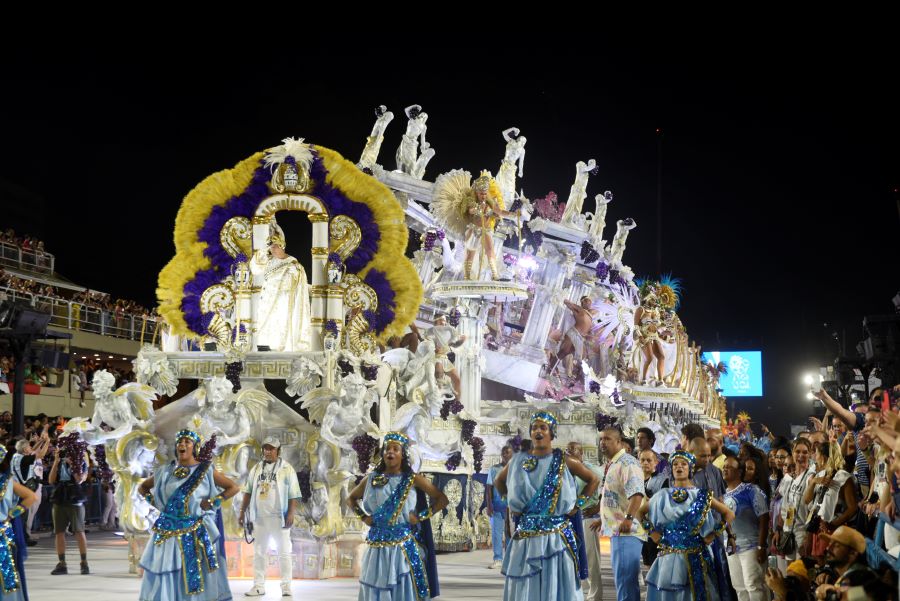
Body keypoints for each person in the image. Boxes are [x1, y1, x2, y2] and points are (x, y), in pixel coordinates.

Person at [494, 412, 600, 601]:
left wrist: (579, 504)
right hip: (526, 535)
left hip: (556, 538)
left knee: (556, 583)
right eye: (534, 427)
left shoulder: (564, 461)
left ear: (552, 433)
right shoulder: (518, 460)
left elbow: (593, 479)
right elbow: (498, 481)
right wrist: (508, 500)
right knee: (527, 584)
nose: (538, 431)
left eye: (543, 427)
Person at [137, 429, 240, 600]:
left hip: (195, 532)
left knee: (193, 576)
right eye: (180, 442)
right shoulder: (165, 471)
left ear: (195, 447)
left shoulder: (205, 470)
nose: (182, 445)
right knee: (168, 571)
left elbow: (233, 487)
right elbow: (143, 487)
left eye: (187, 442)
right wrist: (156, 503)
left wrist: (214, 502)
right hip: (167, 533)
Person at [347, 432, 449, 600]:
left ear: (403, 455)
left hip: (401, 548)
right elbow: (350, 499)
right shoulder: (371, 478)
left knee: (402, 588)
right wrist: (364, 517)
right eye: (387, 449)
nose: (390, 452)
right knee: (376, 586)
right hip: (376, 547)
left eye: (396, 449)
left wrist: (421, 516)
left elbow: (442, 499)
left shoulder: (413, 479)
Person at [644, 451, 736, 601]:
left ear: (690, 468)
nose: (679, 467)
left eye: (683, 464)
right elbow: (640, 513)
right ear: (672, 469)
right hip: (668, 555)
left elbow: (729, 514)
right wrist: (652, 533)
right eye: (675, 464)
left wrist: (713, 534)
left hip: (696, 555)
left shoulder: (702, 495)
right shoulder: (662, 495)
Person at [239, 436, 302, 598]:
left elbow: (294, 494)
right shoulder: (257, 468)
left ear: (278, 451)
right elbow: (248, 491)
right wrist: (242, 512)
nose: (267, 451)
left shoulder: (287, 469)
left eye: (271, 448)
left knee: (284, 552)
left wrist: (291, 513)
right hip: (259, 518)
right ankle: (258, 585)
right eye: (265, 448)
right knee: (259, 552)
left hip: (279, 518)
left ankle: (286, 586)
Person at [431, 170, 518, 280]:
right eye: (481, 193)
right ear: (476, 192)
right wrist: (480, 211)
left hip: (486, 230)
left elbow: (500, 212)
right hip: (473, 230)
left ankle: (495, 275)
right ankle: (467, 275)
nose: (483, 195)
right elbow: (471, 210)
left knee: (490, 250)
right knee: (470, 252)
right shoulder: (470, 201)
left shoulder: (490, 202)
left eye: (485, 193)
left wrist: (513, 214)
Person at [592, 427, 646, 601]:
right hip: (619, 530)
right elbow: (616, 496)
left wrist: (628, 519)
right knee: (624, 581)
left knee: (626, 582)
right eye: (601, 439)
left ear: (619, 442)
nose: (603, 443)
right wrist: (604, 519)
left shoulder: (627, 463)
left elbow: (637, 494)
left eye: (607, 439)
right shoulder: (614, 463)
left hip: (627, 532)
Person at [249, 219, 311, 352]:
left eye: (275, 246)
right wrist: (263, 251)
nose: (273, 250)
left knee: (281, 333)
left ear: (282, 246)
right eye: (271, 247)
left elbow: (299, 287)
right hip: (266, 302)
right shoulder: (269, 261)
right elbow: (255, 268)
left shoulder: (294, 265)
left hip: (284, 302)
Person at [722, 456, 769, 601]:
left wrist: (761, 547)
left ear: (739, 471)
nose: (725, 469)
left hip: (751, 546)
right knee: (739, 587)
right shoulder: (722, 495)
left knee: (753, 585)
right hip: (732, 548)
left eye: (729, 467)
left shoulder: (751, 490)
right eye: (724, 467)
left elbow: (764, 518)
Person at [802, 441, 858, 562]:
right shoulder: (820, 475)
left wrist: (833, 524)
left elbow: (853, 508)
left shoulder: (843, 477)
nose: (814, 458)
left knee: (832, 567)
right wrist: (813, 482)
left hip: (834, 531)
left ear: (823, 457)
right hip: (818, 528)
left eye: (816, 454)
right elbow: (806, 500)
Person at [567, 441, 605, 601]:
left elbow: (605, 487)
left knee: (591, 560)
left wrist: (598, 507)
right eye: (567, 450)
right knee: (572, 559)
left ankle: (595, 596)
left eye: (572, 450)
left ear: (580, 453)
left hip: (587, 517)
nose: (569, 452)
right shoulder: (566, 470)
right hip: (570, 520)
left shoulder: (592, 469)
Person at [0, 443, 38, 601]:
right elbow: (31, 497)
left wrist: (11, 514)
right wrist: (11, 515)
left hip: (2, 536)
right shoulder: (8, 481)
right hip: (4, 532)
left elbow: (31, 497)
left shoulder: (7, 481)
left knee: (6, 577)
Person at [48, 444, 90, 575]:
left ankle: (84, 563)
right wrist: (56, 461)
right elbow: (51, 480)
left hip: (75, 498)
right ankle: (62, 563)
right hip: (59, 497)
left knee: (79, 530)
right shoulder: (59, 462)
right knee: (59, 532)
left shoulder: (80, 461)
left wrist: (73, 464)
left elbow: (79, 479)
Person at [555, 297, 597, 379]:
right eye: (587, 301)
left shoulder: (589, 315)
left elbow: (587, 329)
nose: (589, 303)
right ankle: (552, 370)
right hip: (573, 334)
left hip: (580, 338)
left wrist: (589, 336)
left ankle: (573, 377)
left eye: (590, 302)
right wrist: (561, 297)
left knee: (581, 358)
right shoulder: (580, 310)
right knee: (563, 353)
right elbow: (568, 304)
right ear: (583, 303)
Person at [485, 445, 513, 569]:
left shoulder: (516, 470)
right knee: (496, 534)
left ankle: (508, 559)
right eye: (504, 452)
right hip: (497, 506)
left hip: (511, 508)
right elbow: (488, 488)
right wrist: (489, 505)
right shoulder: (494, 469)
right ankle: (497, 559)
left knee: (509, 533)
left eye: (508, 452)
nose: (505, 454)